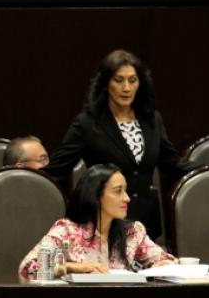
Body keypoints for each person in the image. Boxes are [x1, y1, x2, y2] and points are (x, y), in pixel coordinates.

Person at [43, 50, 198, 241]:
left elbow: (172, 163)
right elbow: (57, 169)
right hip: (104, 225)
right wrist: (26, 177)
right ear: (106, 83)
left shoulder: (151, 119)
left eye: (132, 80)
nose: (126, 88)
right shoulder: (88, 123)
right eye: (118, 80)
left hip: (146, 226)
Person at [19, 164, 175, 277]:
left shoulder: (133, 231)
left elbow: (166, 259)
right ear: (95, 196)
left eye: (125, 190)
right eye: (118, 191)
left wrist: (160, 265)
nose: (127, 198)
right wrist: (74, 268)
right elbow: (28, 267)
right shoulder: (67, 231)